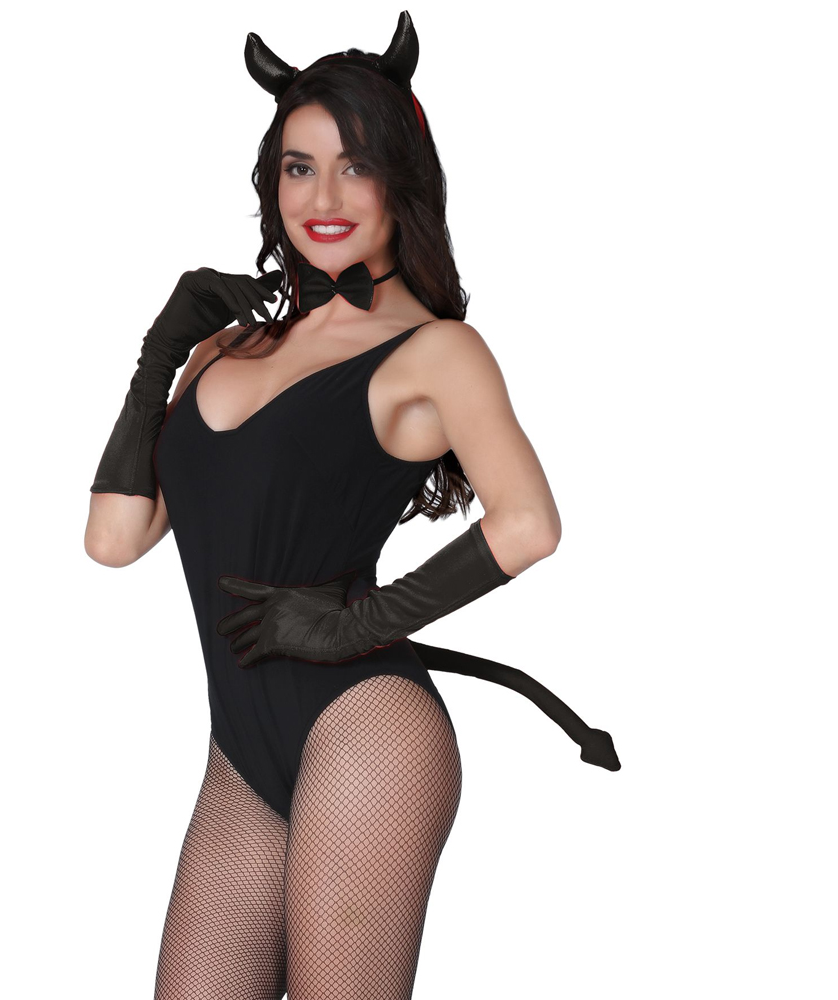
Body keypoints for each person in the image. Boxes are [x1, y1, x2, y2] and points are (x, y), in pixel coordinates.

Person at [85, 11, 619, 998]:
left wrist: (354, 627)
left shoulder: (436, 351)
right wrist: (160, 351)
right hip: (239, 749)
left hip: (367, 727)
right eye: (299, 168)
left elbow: (529, 524)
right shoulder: (225, 348)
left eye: (354, 166)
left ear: (400, 180)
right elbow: (115, 538)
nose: (323, 198)